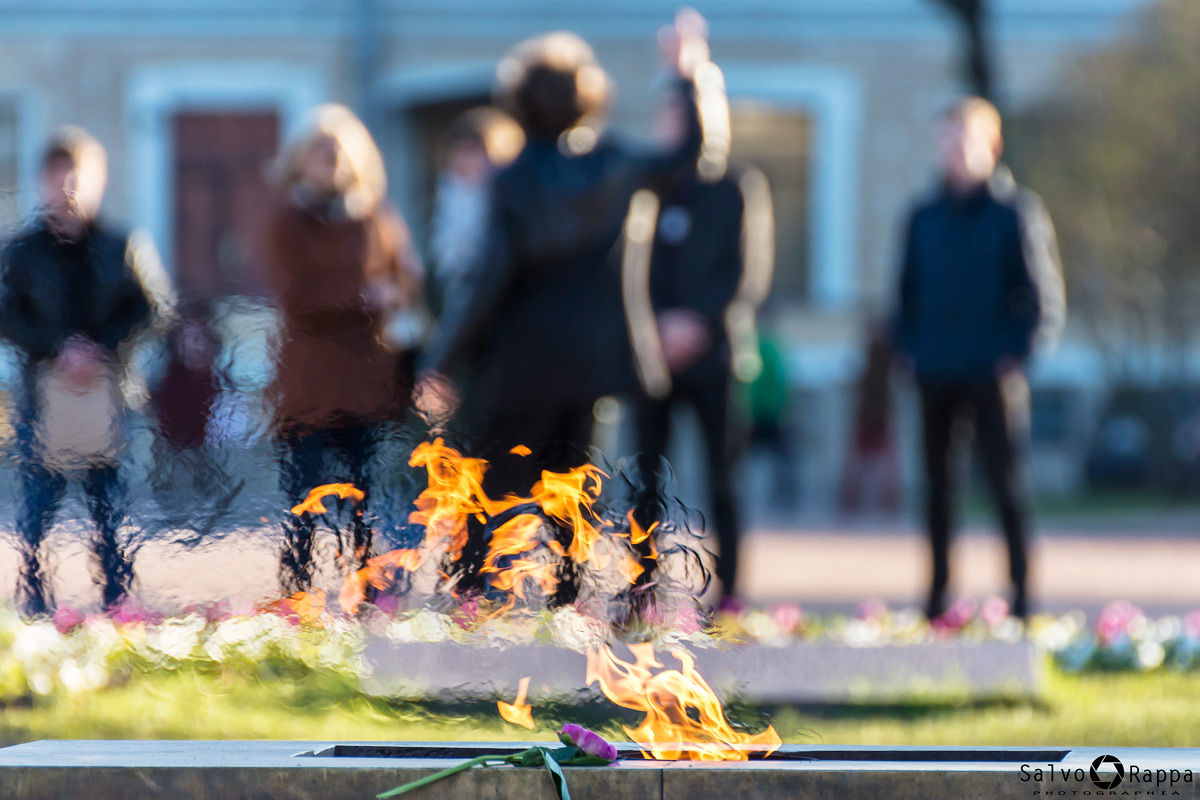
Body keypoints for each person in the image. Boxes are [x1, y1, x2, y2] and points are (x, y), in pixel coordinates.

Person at [416, 10, 726, 599]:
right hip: (592, 362)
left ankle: (480, 599)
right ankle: (566, 602)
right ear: (587, 99)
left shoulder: (511, 180)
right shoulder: (615, 165)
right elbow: (695, 154)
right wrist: (692, 75)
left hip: (521, 361)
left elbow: (487, 278)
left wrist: (439, 358)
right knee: (574, 488)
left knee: (499, 490)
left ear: (518, 102)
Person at [892, 97, 1065, 621]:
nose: (953, 153)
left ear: (990, 147)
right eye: (945, 142)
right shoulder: (922, 217)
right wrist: (910, 351)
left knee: (1006, 487)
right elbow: (903, 296)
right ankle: (937, 598)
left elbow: (1041, 298)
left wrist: (1016, 354)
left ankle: (1021, 598)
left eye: (964, 142)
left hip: (993, 373)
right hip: (935, 370)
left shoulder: (1016, 213)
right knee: (937, 492)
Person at [0, 126, 172, 614]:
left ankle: (117, 602)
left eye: (79, 176)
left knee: (112, 511)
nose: (69, 187)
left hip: (109, 396)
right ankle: (35, 602)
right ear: (43, 182)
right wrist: (57, 347)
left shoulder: (121, 244)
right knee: (37, 514)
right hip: (43, 395)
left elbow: (154, 307)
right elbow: (7, 314)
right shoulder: (22, 252)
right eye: (59, 176)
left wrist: (99, 348)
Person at [264, 104, 425, 594]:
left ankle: (373, 592)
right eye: (319, 152)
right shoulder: (287, 220)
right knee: (304, 501)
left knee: (368, 499)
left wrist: (392, 298)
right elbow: (294, 297)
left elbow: (407, 275)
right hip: (311, 382)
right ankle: (299, 593)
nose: (328, 162)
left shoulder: (373, 215)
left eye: (336, 152)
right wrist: (361, 298)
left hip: (367, 380)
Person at [628, 83, 775, 606]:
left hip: (715, 357)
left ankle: (729, 594)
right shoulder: (648, 187)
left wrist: (696, 323)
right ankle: (640, 590)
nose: (671, 129)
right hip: (652, 358)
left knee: (723, 480)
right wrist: (659, 327)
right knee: (645, 483)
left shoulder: (735, 188)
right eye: (664, 118)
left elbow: (746, 272)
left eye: (680, 118)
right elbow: (632, 267)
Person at [427, 107, 524, 313]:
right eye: (460, 151)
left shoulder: (513, 204)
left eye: (474, 151)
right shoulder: (441, 206)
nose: (465, 161)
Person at [838, 321, 901, 515]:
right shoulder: (879, 355)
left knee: (875, 459)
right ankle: (854, 498)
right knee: (865, 459)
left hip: (874, 413)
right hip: (872, 412)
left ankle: (882, 499)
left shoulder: (879, 355)